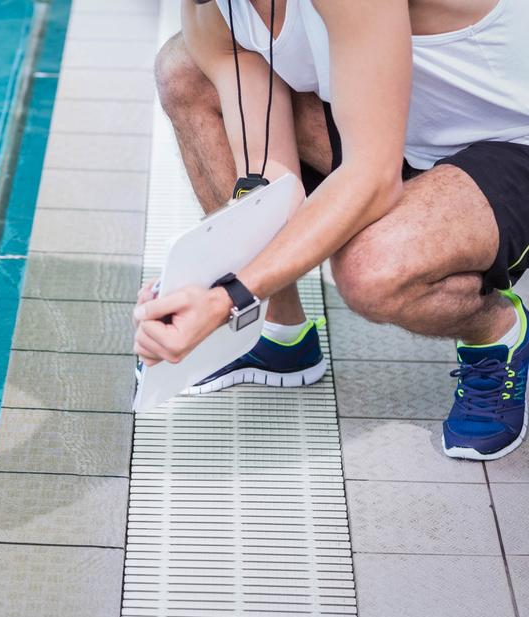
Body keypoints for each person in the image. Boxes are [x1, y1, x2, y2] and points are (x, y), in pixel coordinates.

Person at [135, 0, 529, 460]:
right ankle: (278, 335)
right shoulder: (209, 10)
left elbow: (371, 179)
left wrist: (230, 297)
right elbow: (267, 181)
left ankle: (496, 331)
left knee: (373, 270)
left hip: (508, 138)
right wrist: (201, 278)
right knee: (186, 69)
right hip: (389, 127)